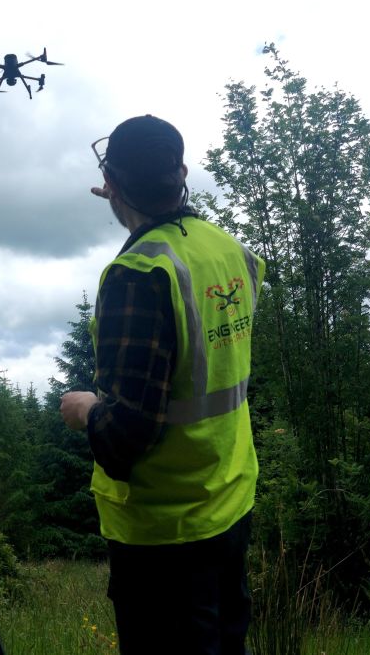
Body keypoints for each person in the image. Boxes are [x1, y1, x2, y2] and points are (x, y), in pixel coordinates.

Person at [60, 115, 265, 655]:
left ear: (114, 183)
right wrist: (130, 196)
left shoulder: (139, 274)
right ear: (182, 173)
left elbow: (127, 432)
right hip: (228, 500)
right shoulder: (230, 252)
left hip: (164, 533)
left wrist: (84, 409)